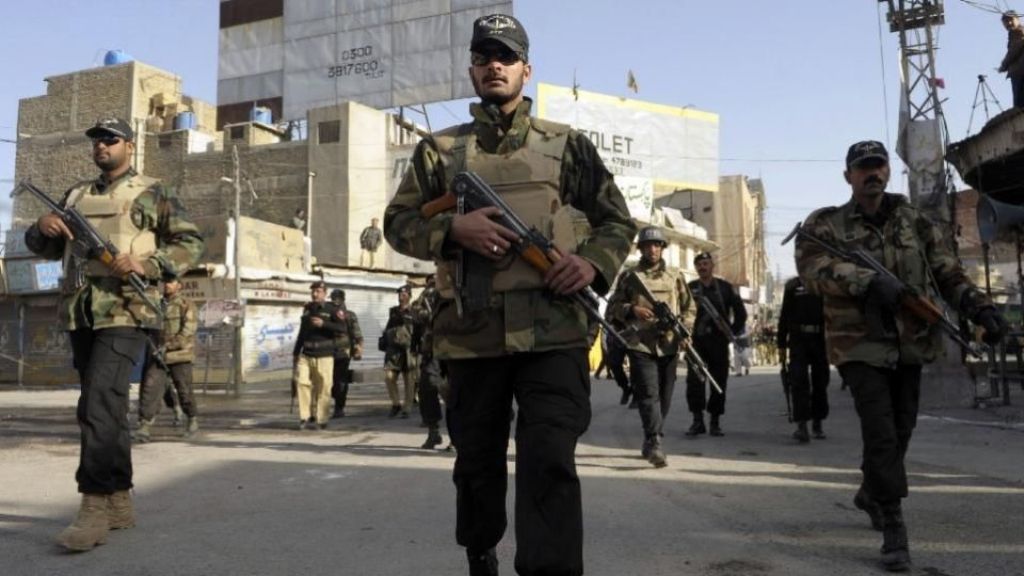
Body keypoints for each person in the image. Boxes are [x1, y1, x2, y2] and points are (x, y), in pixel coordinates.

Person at [383, 12, 636, 576]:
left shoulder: (565, 146)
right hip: (471, 334)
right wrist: (452, 229)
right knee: (477, 463)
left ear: (527, 69)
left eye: (506, 56)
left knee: (550, 460)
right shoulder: (441, 152)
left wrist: (590, 265)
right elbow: (397, 224)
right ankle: (480, 552)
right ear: (472, 69)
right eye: (483, 56)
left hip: (554, 330)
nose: (493, 64)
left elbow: (617, 221)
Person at [795, 140, 1006, 572]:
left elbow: (948, 272)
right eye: (863, 167)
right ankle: (894, 528)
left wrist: (979, 306)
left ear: (888, 170)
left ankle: (872, 492)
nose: (872, 173)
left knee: (902, 428)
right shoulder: (827, 224)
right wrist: (866, 281)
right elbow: (812, 269)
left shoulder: (917, 222)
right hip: (859, 345)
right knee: (881, 432)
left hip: (910, 342)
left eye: (878, 165)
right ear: (848, 176)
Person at [24, 117, 204, 552]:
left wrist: (147, 264)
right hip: (82, 311)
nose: (101, 146)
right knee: (105, 403)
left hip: (128, 309)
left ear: (129, 144)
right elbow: (46, 247)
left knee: (98, 402)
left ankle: (94, 503)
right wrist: (42, 227)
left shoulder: (152, 191)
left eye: (109, 139)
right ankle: (120, 499)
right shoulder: (76, 196)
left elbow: (191, 243)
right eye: (96, 141)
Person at [607, 226, 692, 468]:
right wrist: (632, 310)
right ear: (641, 249)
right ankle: (655, 441)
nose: (652, 249)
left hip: (668, 344)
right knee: (648, 394)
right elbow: (613, 307)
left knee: (664, 397)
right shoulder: (629, 276)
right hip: (641, 344)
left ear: (662, 248)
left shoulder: (675, 276)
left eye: (656, 245)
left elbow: (689, 309)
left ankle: (650, 436)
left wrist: (685, 331)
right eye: (647, 245)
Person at [685, 251, 746, 437]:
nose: (703, 267)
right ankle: (697, 421)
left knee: (719, 381)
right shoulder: (689, 288)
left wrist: (731, 332)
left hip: (718, 342)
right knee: (695, 382)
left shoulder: (725, 288)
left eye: (706, 263)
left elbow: (741, 313)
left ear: (712, 266)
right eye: (699, 264)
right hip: (696, 342)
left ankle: (715, 421)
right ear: (696, 268)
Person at [134, 274, 200, 443]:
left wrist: (168, 346)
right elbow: (149, 326)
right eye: (166, 282)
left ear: (179, 285)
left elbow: (188, 331)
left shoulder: (186, 305)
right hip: (158, 355)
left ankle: (192, 419)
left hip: (179, 355)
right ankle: (144, 426)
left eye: (171, 282)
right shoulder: (157, 304)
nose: (167, 285)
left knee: (184, 389)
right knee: (150, 389)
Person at [776, 276, 830, 443]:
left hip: (820, 339)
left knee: (820, 381)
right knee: (798, 381)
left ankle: (818, 421)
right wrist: (781, 344)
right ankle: (802, 425)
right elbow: (784, 314)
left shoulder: (824, 283)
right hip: (798, 339)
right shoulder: (793, 285)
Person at [292, 281, 345, 430]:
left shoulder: (333, 309)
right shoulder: (308, 309)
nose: (315, 294)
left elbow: (342, 328)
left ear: (325, 293)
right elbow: (302, 332)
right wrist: (296, 352)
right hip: (307, 354)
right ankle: (305, 416)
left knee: (324, 387)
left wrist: (324, 324)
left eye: (318, 291)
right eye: (313, 291)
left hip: (325, 355)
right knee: (302, 383)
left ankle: (322, 418)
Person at [411, 275, 447, 449]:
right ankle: (433, 431)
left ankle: (457, 436)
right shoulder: (428, 294)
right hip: (433, 348)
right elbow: (415, 314)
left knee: (456, 391)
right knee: (427, 387)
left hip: (460, 348)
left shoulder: (460, 286)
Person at [382, 284, 418, 418]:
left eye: (404, 295)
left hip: (409, 349)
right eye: (399, 295)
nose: (401, 297)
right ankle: (396, 403)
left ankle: (406, 408)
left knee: (409, 380)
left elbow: (418, 330)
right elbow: (388, 327)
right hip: (394, 350)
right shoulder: (393, 311)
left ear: (409, 296)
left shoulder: (414, 311)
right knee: (389, 377)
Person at [329, 288, 363, 419]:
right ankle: (336, 402)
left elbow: (357, 333)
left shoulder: (349, 315)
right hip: (327, 351)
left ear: (342, 299)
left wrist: (359, 348)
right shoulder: (327, 313)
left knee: (340, 380)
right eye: (333, 298)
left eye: (337, 298)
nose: (335, 300)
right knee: (329, 381)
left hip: (343, 352)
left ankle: (339, 408)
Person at [999, 11, 1024, 108]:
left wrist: (1003, 65)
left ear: (1017, 19)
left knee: (1020, 104)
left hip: (1020, 72)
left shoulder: (1018, 31)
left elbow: (1014, 50)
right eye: (1005, 22)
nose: (1008, 23)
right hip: (1019, 72)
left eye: (1010, 20)